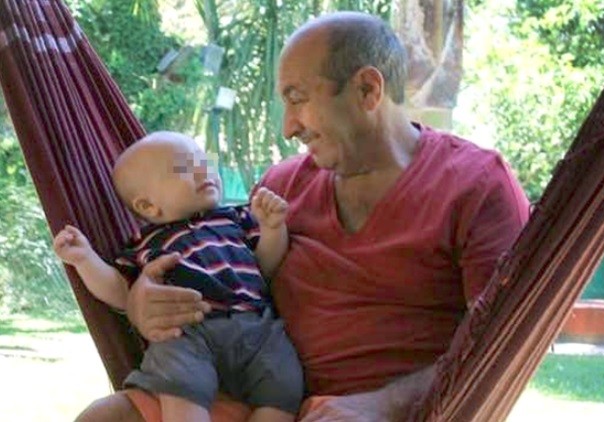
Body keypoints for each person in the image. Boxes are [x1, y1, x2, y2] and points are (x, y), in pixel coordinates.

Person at [75, 11, 530, 422]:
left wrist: (382, 405)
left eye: (297, 99)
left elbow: (502, 341)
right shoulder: (281, 187)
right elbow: (226, 272)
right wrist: (141, 303)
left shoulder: (476, 185)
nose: (288, 126)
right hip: (255, 394)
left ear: (367, 90)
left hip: (396, 409)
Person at [56, 132, 303, 422]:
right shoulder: (148, 245)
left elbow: (264, 267)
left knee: (284, 388)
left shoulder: (236, 219)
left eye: (204, 162)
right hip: (189, 332)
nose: (203, 171)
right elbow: (121, 291)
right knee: (178, 380)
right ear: (148, 206)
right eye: (185, 168)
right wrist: (85, 259)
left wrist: (273, 229)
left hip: (257, 327)